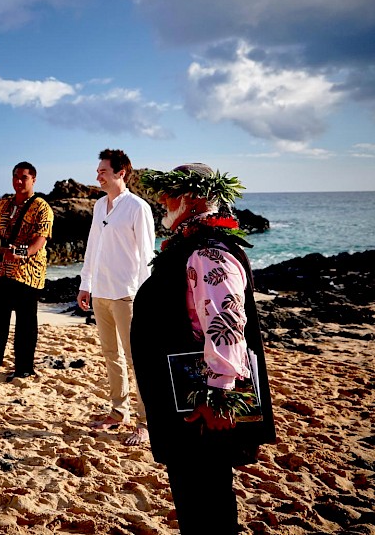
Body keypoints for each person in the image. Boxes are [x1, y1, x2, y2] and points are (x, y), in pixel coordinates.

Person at [132, 163, 276, 535]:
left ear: (195, 198)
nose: (162, 198)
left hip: (202, 403)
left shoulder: (209, 251)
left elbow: (227, 322)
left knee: (206, 496)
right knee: (194, 494)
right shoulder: (191, 244)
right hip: (184, 398)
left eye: (171, 192)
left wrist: (218, 396)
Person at [75, 149, 155, 445]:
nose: (98, 176)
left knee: (138, 360)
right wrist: (86, 283)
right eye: (98, 171)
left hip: (128, 294)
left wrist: (146, 297)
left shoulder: (137, 207)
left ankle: (146, 422)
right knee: (112, 356)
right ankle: (118, 412)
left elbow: (148, 255)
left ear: (121, 173)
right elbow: (92, 245)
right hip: (101, 293)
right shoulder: (99, 206)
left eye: (103, 171)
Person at [0, 162, 54, 382]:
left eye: (24, 177)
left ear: (34, 179)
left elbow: (40, 240)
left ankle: (24, 368)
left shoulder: (42, 207)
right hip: (1, 270)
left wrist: (25, 252)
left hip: (28, 272)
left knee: (26, 323)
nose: (19, 181)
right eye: (15, 176)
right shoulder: (2, 205)